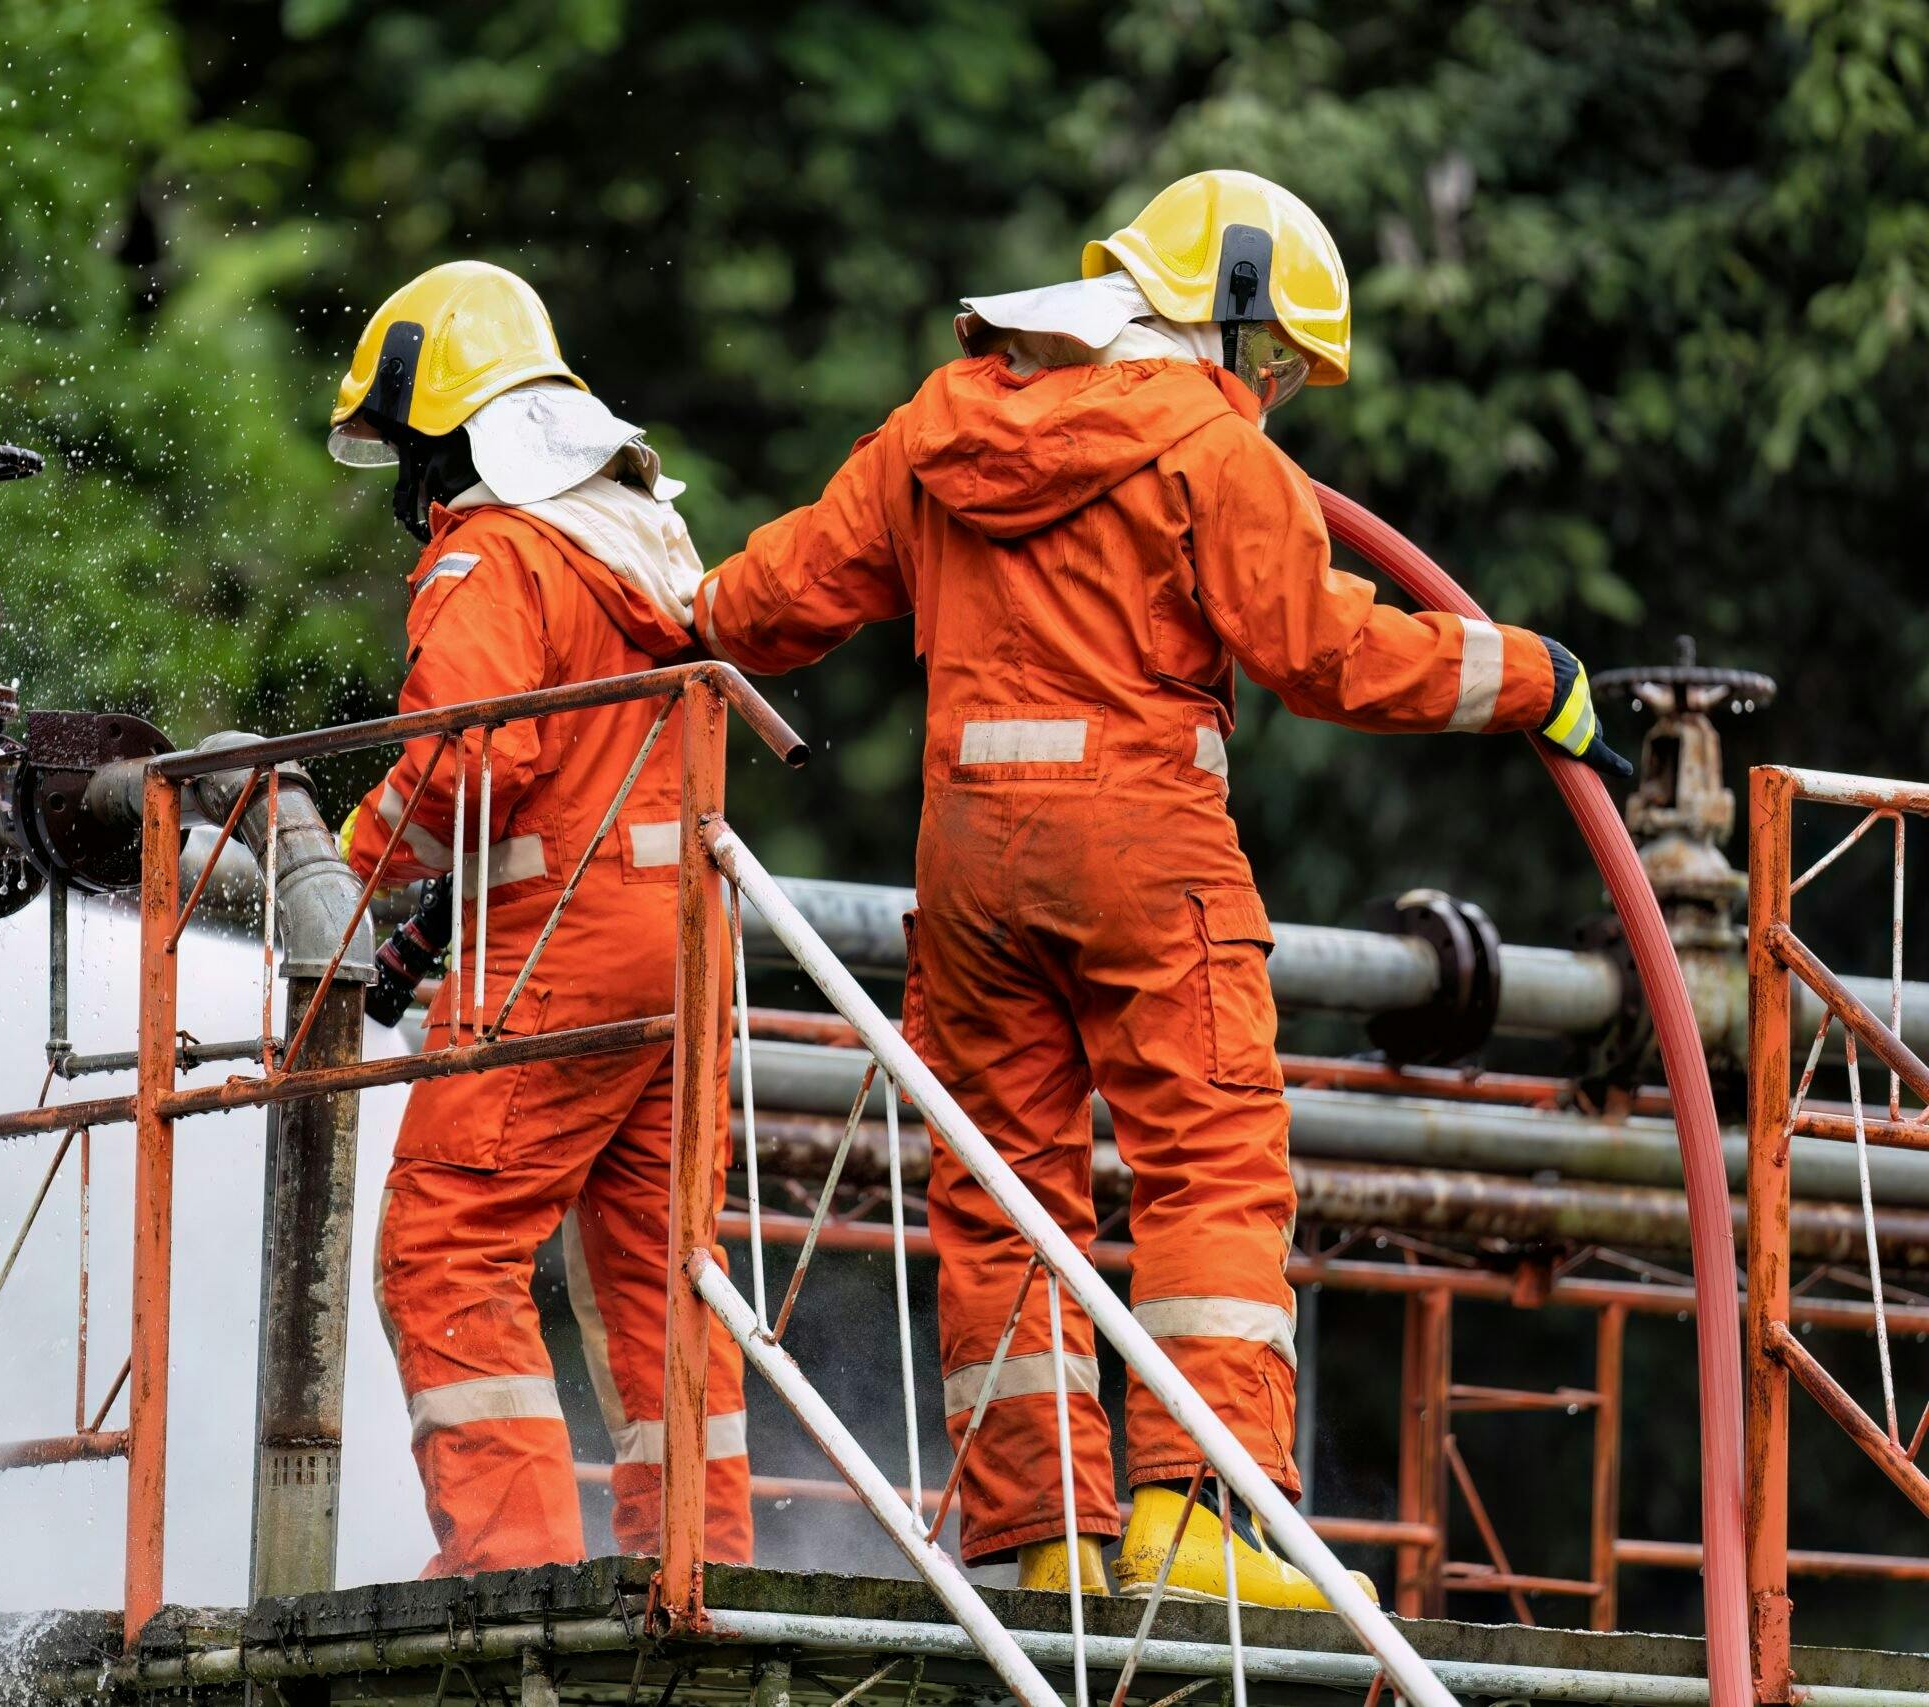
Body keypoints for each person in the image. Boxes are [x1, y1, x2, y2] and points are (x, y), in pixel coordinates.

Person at [691, 170, 1627, 1606]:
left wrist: (625, 576)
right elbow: (1326, 653)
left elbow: (759, 608)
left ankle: (1045, 1533)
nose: (1275, 394)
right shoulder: (1213, 450)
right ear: (1232, 315)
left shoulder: (933, 433)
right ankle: (1195, 1511)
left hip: (967, 862)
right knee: (1212, 1158)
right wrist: (1528, 677)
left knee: (1001, 1186)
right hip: (1142, 843)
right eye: (1276, 363)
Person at [330, 259, 754, 1574]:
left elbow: (474, 761)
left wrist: (354, 846)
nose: (411, 481)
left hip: (560, 949)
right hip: (686, 947)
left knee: (443, 1245)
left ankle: (505, 1559)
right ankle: (695, 1556)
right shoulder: (641, 544)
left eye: (412, 447)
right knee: (658, 1270)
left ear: (454, 433)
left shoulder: (493, 553)